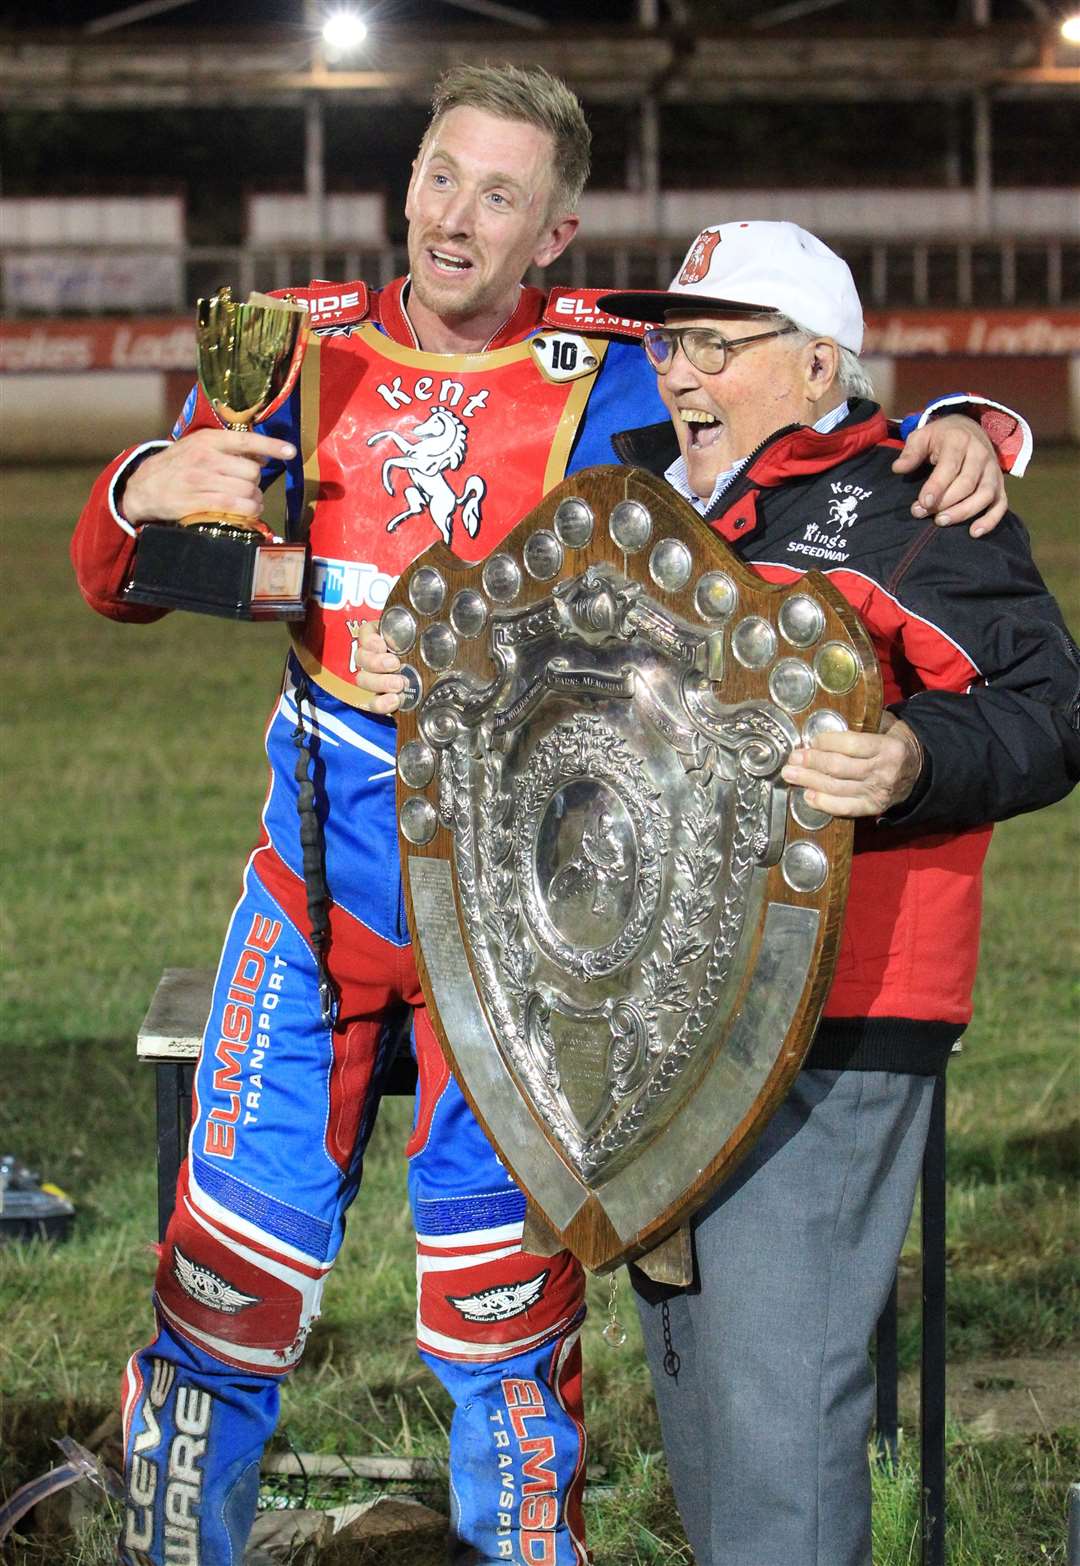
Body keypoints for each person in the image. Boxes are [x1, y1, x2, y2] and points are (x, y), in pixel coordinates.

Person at [71, 64, 1025, 1566]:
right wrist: (142, 485)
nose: (457, 217)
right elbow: (126, 579)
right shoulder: (293, 348)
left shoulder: (615, 369)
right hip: (316, 895)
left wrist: (967, 420)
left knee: (503, 1314)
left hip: (523, 927)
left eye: (500, 195)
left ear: (555, 233)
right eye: (443, 175)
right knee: (224, 1283)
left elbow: (795, 406)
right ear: (408, 179)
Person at [581, 220, 1078, 1566]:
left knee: (784, 1399)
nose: (680, 373)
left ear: (813, 369)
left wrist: (915, 756)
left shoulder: (916, 502)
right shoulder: (653, 514)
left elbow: (1050, 709)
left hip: (839, 1008)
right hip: (659, 1008)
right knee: (699, 1388)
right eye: (669, 344)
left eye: (713, 346)